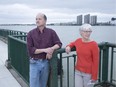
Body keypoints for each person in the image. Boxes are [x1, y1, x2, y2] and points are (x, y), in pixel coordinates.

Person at [27, 13, 62, 87]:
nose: (37, 20)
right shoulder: (30, 33)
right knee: (33, 85)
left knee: (43, 84)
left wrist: (51, 49)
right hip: (34, 63)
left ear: (45, 21)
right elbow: (31, 50)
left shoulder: (51, 32)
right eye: (36, 19)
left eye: (39, 19)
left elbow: (59, 44)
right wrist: (45, 50)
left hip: (45, 62)